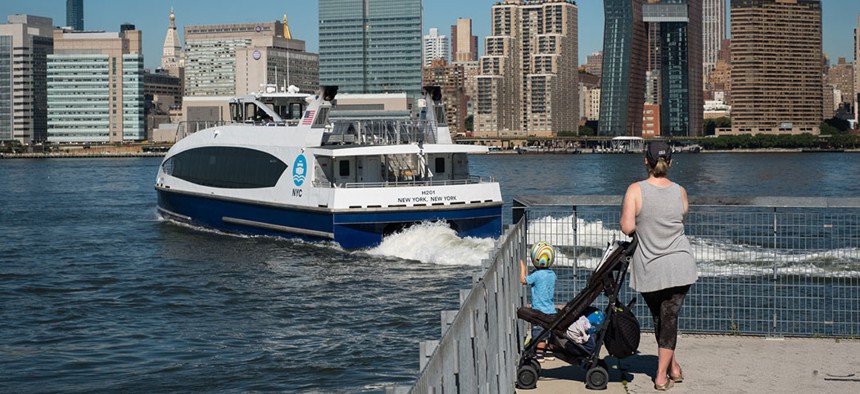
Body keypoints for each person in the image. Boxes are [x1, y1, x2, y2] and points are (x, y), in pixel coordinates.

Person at [620, 141, 698, 391]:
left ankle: (661, 376)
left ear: (646, 161)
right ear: (671, 163)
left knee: (662, 319)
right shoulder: (680, 191)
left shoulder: (635, 190)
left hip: (650, 265)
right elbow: (681, 218)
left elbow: (627, 227)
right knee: (667, 319)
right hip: (679, 263)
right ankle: (672, 368)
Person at [520, 241, 557, 361]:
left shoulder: (536, 275)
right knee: (548, 332)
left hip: (539, 311)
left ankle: (540, 354)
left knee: (539, 333)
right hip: (551, 310)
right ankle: (550, 353)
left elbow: (524, 280)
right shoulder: (552, 274)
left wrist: (522, 268)